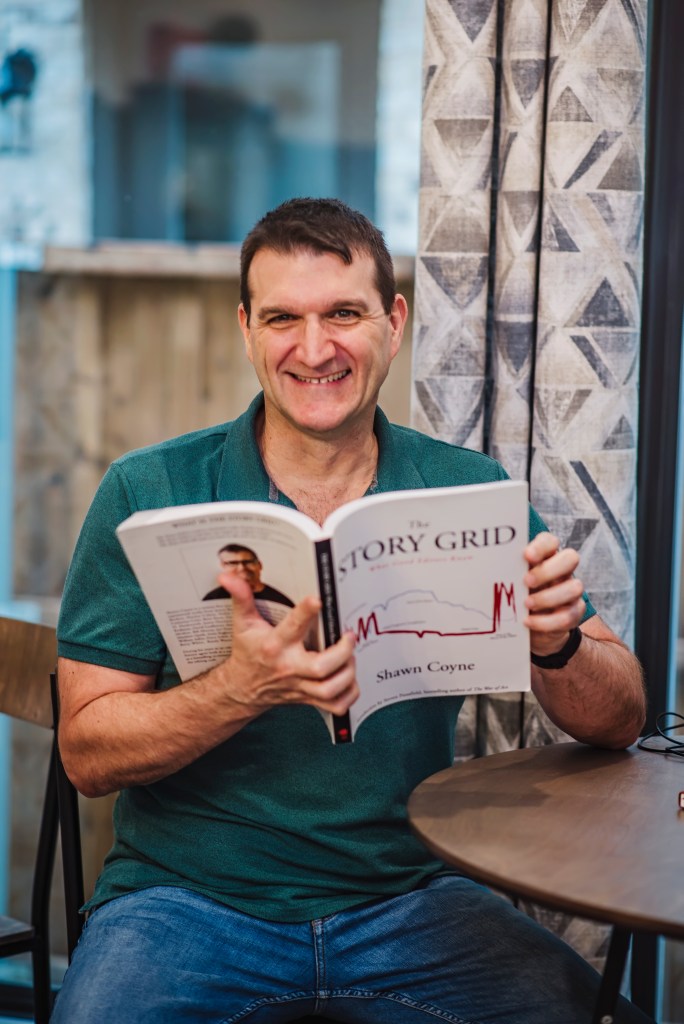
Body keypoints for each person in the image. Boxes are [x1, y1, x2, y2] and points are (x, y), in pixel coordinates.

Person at [53, 198, 649, 1024]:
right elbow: (86, 754)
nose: (314, 349)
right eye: (282, 318)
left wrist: (557, 645)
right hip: (186, 901)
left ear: (393, 324)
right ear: (247, 330)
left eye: (343, 313)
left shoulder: (468, 490)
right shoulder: (148, 490)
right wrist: (238, 690)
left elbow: (623, 717)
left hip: (413, 896)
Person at [203, 543, 294, 606]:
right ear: (223, 566)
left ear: (259, 565)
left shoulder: (281, 601)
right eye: (233, 563)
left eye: (248, 562)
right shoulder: (212, 598)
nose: (242, 568)